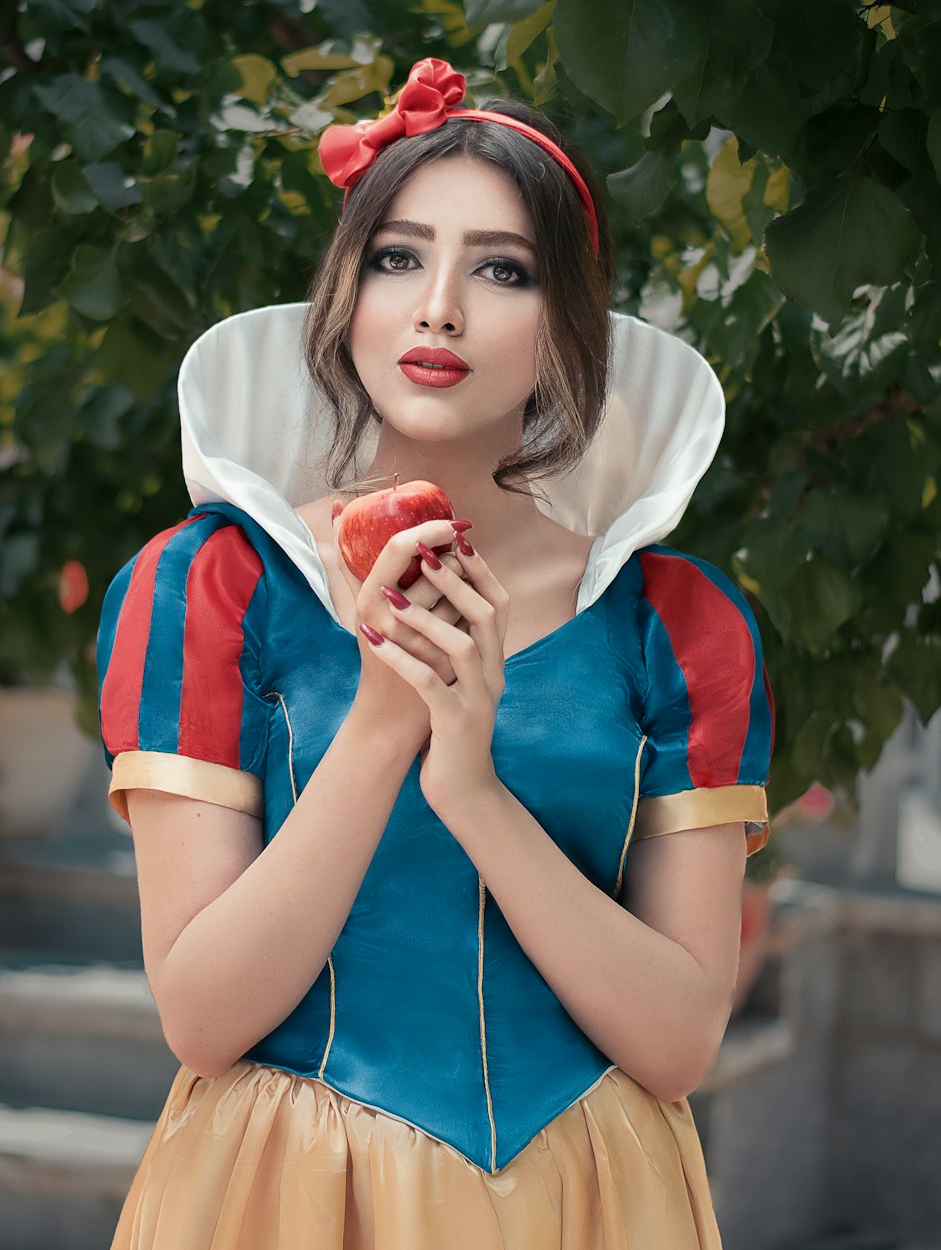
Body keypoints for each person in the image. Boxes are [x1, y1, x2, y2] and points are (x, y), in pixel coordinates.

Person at [97, 57, 773, 1250]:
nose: (439, 307)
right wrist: (381, 726)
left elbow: (678, 1042)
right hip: (287, 1195)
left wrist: (471, 787)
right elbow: (203, 1016)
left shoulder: (673, 616)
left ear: (566, 318)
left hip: (593, 1197)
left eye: (500, 268)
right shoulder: (211, 584)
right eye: (397, 256)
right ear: (344, 293)